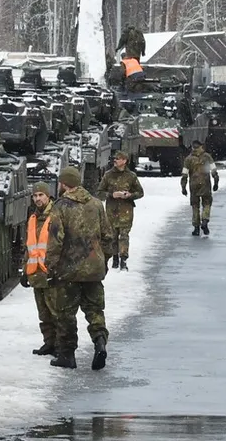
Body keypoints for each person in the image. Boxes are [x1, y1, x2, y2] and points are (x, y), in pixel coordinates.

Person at [44, 165, 114, 370]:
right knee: (95, 310)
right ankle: (100, 341)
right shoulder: (96, 204)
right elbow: (108, 236)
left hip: (69, 270)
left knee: (66, 313)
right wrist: (103, 260)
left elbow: (56, 240)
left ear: (64, 184)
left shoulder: (60, 206)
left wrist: (50, 266)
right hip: (94, 269)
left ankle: (67, 355)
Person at [21, 182, 57, 356]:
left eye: (41, 195)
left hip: (51, 273)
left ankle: (61, 346)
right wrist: (24, 270)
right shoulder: (33, 218)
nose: (37, 199)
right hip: (36, 273)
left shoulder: (56, 216)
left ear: (48, 196)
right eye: (35, 196)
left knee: (56, 312)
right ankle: (49, 343)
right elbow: (29, 247)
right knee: (44, 313)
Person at [97, 150, 144, 270]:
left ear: (124, 161)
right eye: (115, 159)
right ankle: (115, 259)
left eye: (118, 159)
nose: (115, 161)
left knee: (124, 235)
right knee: (112, 236)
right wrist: (111, 194)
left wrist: (130, 195)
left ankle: (123, 259)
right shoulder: (108, 175)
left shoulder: (131, 176)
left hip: (126, 211)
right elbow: (99, 192)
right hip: (111, 211)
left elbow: (140, 192)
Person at [181, 139, 219, 236]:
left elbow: (184, 174)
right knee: (207, 203)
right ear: (201, 146)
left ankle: (196, 228)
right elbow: (213, 170)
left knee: (195, 205)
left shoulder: (188, 159)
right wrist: (216, 182)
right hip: (205, 184)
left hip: (193, 185)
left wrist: (183, 187)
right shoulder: (207, 156)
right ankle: (205, 220)